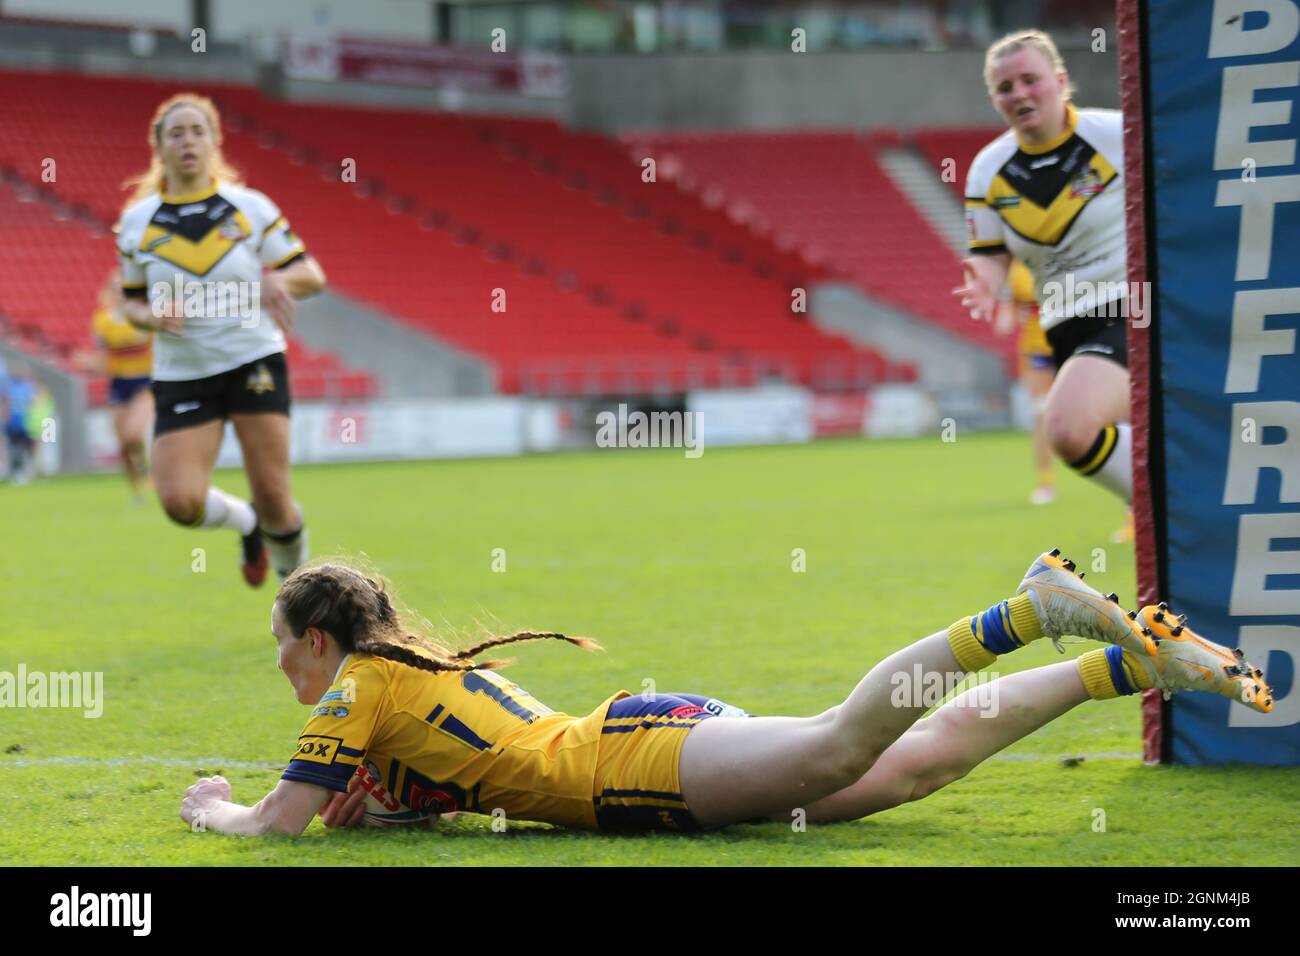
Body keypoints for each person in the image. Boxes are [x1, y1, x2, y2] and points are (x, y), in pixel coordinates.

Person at [179, 553, 1273, 836]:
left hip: (636, 766)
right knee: (902, 774)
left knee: (848, 746)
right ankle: (1117, 666)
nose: (281, 666)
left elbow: (276, 823)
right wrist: (392, 809)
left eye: (282, 646)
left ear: (316, 639)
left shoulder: (355, 687)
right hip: (644, 744)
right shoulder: (406, 671)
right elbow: (467, 778)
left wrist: (213, 805)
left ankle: (1026, 611)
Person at [115, 92, 327, 585]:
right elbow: (128, 301)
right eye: (176, 133)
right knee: (180, 502)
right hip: (182, 372)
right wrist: (147, 316)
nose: (187, 141)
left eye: (197, 131)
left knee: (275, 493)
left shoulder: (249, 207)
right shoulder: (136, 222)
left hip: (252, 357)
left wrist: (280, 280)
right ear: (159, 147)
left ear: (214, 142)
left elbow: (311, 275)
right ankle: (247, 524)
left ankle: (303, 606)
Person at [954, 30, 1132, 504]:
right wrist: (984, 282)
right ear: (994, 98)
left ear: (1060, 80)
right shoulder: (987, 170)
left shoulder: (1118, 135)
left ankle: (1176, 509)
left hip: (1132, 310)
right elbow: (991, 253)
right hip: (1062, 326)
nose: (1020, 94)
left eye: (1030, 80)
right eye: (1005, 88)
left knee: (1068, 428)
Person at [89, 269, 154, 501]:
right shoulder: (102, 321)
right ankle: (136, 489)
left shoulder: (143, 316)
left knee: (134, 435)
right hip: (118, 383)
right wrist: (91, 364)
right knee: (124, 445)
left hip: (144, 381)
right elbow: (103, 357)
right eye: (115, 288)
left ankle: (147, 473)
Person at [997, 259, 1055, 505]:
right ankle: (1045, 481)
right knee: (1041, 413)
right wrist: (1006, 317)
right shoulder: (1018, 270)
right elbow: (1011, 309)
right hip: (1038, 348)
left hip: (1074, 343)